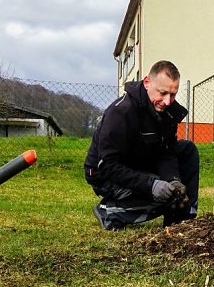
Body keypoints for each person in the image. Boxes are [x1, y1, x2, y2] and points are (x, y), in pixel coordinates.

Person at [84, 60, 199, 230]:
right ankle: (110, 211)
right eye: (162, 93)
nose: (167, 101)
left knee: (187, 150)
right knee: (163, 196)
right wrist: (151, 184)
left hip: (140, 161)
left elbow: (166, 152)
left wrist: (173, 180)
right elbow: (107, 165)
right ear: (147, 83)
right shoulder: (120, 113)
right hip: (106, 176)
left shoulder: (167, 112)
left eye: (173, 94)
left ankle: (182, 218)